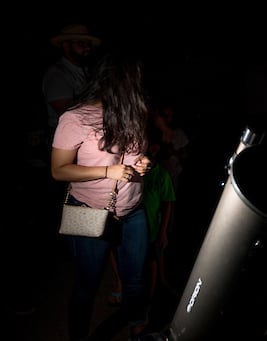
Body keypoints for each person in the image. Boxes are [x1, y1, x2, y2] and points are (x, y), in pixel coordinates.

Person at [51, 51, 152, 341]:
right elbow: (59, 170)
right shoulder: (75, 117)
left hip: (133, 211)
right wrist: (109, 173)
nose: (140, 87)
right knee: (88, 283)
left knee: (135, 278)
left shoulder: (135, 112)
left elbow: (137, 156)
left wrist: (144, 163)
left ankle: (137, 326)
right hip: (90, 209)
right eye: (135, 81)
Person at [42, 24, 101, 144]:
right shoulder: (57, 74)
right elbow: (66, 111)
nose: (87, 48)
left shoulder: (87, 70)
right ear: (65, 45)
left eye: (88, 44)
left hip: (85, 135)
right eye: (81, 43)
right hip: (64, 139)